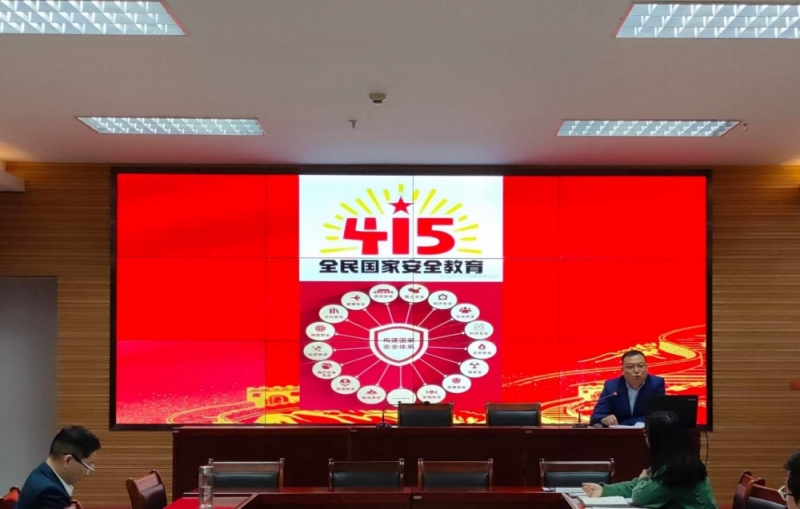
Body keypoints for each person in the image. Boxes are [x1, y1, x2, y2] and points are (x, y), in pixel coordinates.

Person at [582, 411, 716, 509]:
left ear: (658, 439)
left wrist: (643, 478)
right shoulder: (674, 460)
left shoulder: (677, 470)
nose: (645, 438)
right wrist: (605, 490)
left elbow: (640, 497)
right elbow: (639, 486)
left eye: (646, 434)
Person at [16, 425, 100, 509]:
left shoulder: (39, 474)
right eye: (88, 465)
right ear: (68, 461)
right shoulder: (50, 493)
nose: (87, 472)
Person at [590, 350, 666, 426]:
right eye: (630, 367)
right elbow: (597, 415)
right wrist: (603, 419)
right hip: (618, 433)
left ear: (646, 368)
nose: (636, 370)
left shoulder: (656, 384)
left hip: (645, 432)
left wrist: (624, 424)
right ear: (622, 370)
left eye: (640, 366)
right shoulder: (612, 386)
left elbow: (657, 416)